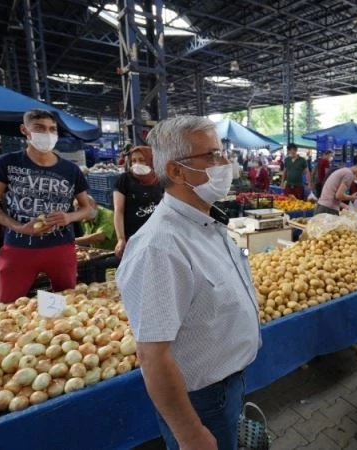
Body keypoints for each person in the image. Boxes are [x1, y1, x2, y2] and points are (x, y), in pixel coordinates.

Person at [116, 116, 260, 450]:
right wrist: (190, 433)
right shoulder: (159, 247)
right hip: (201, 401)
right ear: (177, 172)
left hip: (227, 386)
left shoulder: (205, 221)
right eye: (211, 156)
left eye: (222, 153)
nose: (224, 163)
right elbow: (152, 356)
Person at [0, 109, 93, 303]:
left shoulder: (70, 170)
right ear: (25, 130)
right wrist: (18, 227)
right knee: (9, 305)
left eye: (52, 129)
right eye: (39, 128)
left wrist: (69, 217)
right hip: (18, 247)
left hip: (60, 247)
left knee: (64, 304)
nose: (47, 134)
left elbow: (89, 209)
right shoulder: (6, 163)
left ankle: (54, 332)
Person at [113, 146, 163, 258]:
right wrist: (121, 239)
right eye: (134, 161)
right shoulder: (124, 179)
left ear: (150, 161)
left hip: (156, 236)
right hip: (133, 236)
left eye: (141, 160)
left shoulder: (158, 179)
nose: (137, 164)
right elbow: (118, 211)